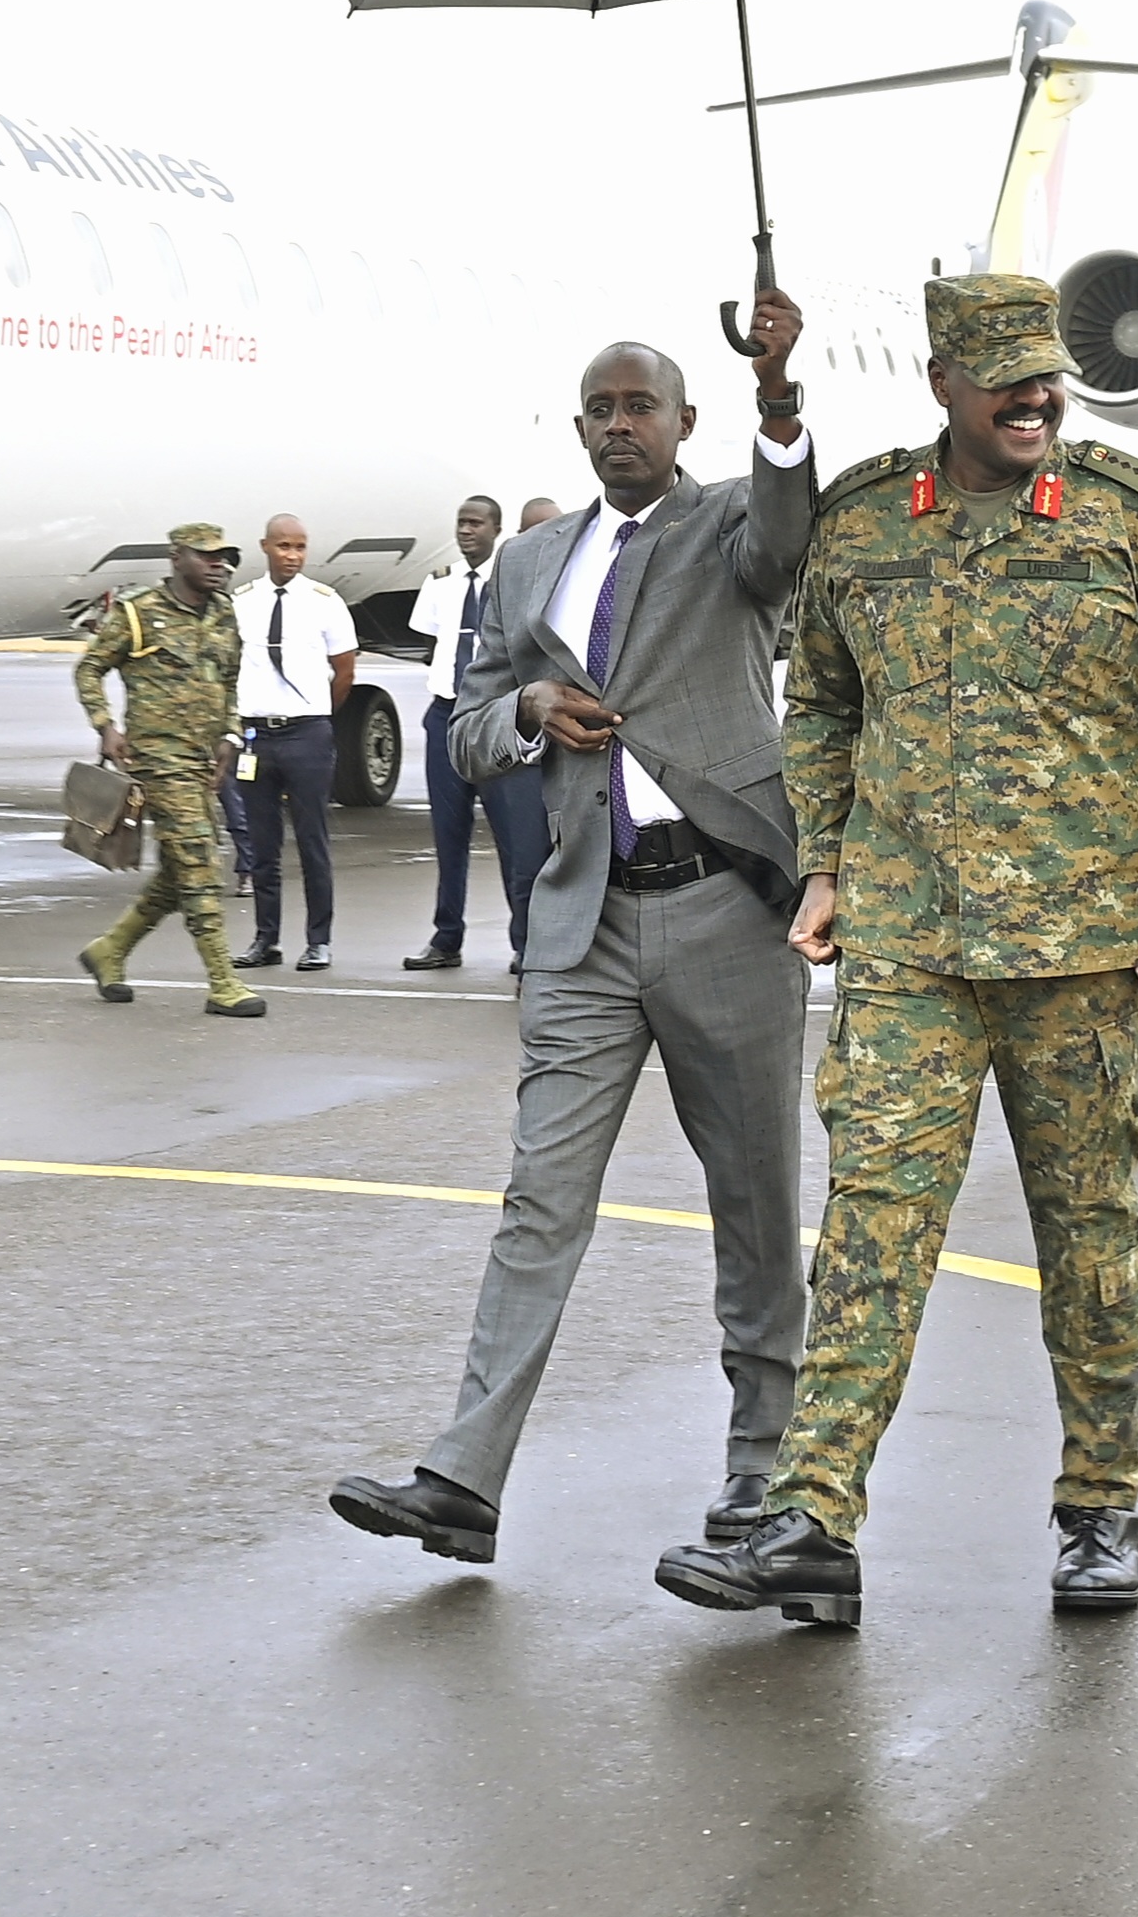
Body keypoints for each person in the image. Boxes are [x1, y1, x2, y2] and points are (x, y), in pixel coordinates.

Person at [652, 272, 1138, 1628]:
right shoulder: (864, 522)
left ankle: (1100, 1505)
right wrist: (823, 858)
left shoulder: (1129, 517)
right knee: (870, 1229)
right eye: (1005, 380)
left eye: (1047, 375)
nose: (1036, 397)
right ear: (944, 388)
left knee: (1087, 1239)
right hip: (908, 946)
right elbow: (818, 705)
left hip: (1084, 952)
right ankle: (812, 1515)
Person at [330, 298, 818, 1569]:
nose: (618, 425)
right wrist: (533, 704)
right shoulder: (533, 567)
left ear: (682, 420)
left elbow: (785, 533)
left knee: (755, 1206)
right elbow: (468, 729)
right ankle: (463, 1476)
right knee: (536, 1201)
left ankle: (765, 1477)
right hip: (584, 918)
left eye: (639, 405)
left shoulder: (727, 529)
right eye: (599, 409)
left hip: (725, 906)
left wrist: (778, 394)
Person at [72, 524, 265, 1018]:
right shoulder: (138, 613)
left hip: (204, 761)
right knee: (200, 863)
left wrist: (230, 736)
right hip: (156, 760)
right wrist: (106, 728)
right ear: (177, 558)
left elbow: (228, 682)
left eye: (225, 557)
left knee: (181, 870)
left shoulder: (224, 613)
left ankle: (110, 950)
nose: (219, 565)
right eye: (207, 557)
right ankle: (223, 981)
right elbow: (89, 668)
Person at [403, 496, 549, 976]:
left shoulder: (515, 578)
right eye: (461, 523)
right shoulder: (441, 582)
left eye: (476, 523)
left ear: (497, 529)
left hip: (499, 719)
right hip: (447, 715)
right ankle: (446, 937)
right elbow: (432, 645)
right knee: (448, 838)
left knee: (517, 842)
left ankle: (525, 945)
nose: (467, 531)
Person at [229, 515, 359, 973]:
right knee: (263, 845)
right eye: (283, 546)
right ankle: (266, 938)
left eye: (300, 547)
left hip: (307, 734)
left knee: (312, 842)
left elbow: (344, 670)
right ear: (265, 547)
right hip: (258, 735)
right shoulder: (242, 601)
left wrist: (319, 718)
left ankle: (318, 940)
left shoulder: (325, 602)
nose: (292, 555)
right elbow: (230, 668)